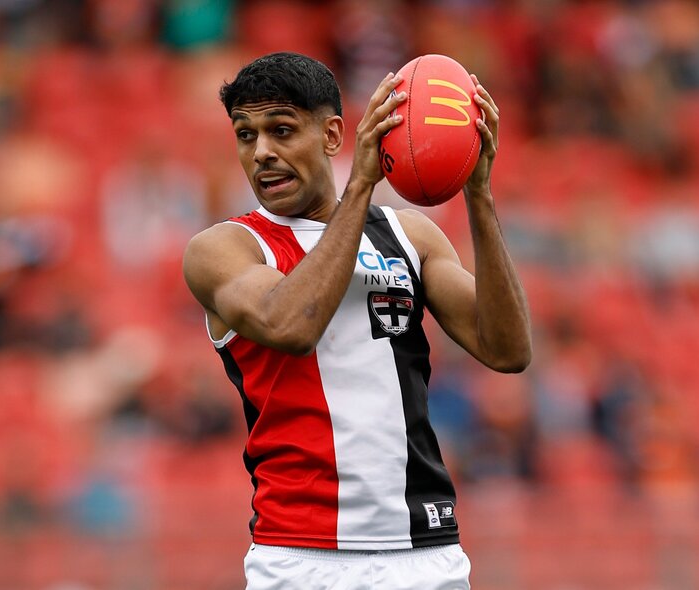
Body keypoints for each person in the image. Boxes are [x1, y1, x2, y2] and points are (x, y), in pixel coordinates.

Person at [182, 52, 531, 590]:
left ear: (332, 135)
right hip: (300, 557)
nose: (263, 153)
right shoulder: (225, 249)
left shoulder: (409, 236)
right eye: (246, 136)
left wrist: (478, 194)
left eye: (281, 130)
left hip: (424, 552)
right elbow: (292, 327)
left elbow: (508, 350)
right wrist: (362, 187)